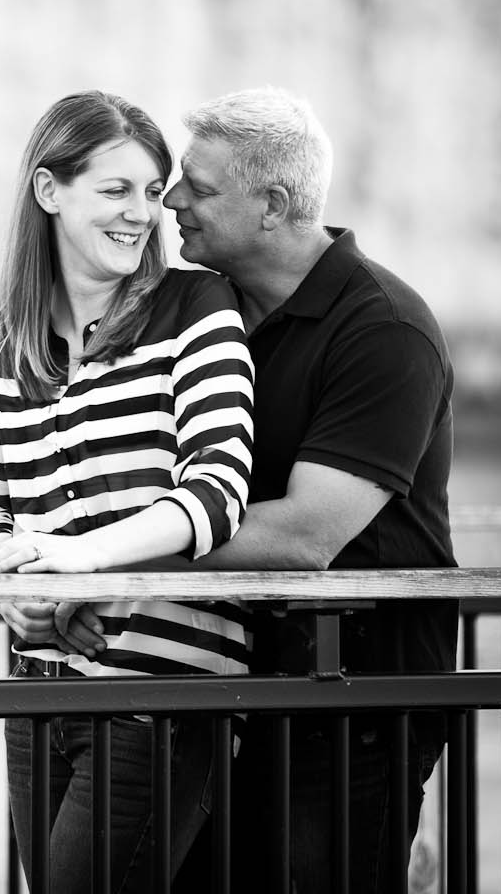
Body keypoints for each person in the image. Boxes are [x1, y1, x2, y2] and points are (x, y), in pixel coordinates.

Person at [163, 87, 457, 893]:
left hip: (352, 702)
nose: (169, 198)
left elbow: (305, 536)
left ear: (274, 204)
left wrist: (106, 555)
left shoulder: (383, 329)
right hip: (237, 684)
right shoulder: (213, 317)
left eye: (198, 185)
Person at [0, 90, 255, 891]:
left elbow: (218, 490)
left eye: (153, 192)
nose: (142, 214)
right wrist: (12, 590)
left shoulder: (195, 306)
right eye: (116, 190)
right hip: (36, 691)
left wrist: (79, 560)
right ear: (49, 191)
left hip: (162, 695)